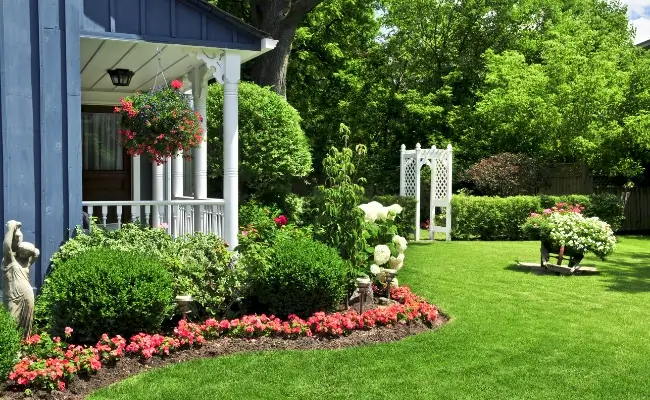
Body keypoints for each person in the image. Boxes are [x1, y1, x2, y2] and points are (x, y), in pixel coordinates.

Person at [2, 220, 39, 338]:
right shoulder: (9, 260)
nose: (23, 254)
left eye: (25, 253)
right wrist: (11, 228)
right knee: (11, 322)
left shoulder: (26, 262)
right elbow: (7, 245)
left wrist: (25, 248)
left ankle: (23, 349)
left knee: (26, 325)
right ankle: (12, 351)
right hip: (12, 296)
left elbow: (36, 253)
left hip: (27, 295)